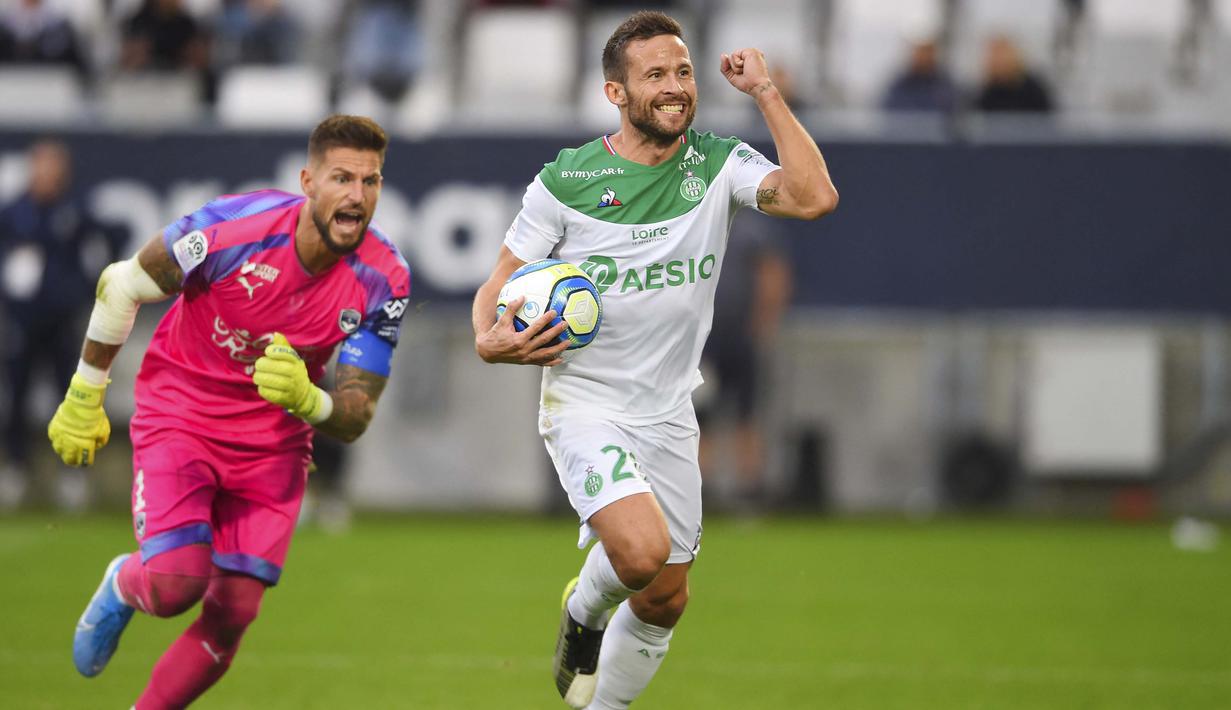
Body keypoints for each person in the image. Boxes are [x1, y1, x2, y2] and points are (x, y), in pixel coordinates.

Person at [471, 11, 837, 709]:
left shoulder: (718, 163)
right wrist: (488, 338)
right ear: (616, 93)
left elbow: (815, 197)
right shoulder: (567, 179)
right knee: (638, 555)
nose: (674, 88)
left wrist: (765, 94)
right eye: (655, 76)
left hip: (668, 408)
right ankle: (582, 610)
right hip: (584, 404)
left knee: (667, 596)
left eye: (682, 72)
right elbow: (499, 281)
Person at [49, 115, 411, 708]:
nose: (357, 195)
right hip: (182, 415)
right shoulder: (231, 230)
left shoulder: (384, 278)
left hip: (273, 445)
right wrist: (85, 392)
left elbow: (356, 411)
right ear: (308, 182)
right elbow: (122, 285)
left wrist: (307, 399)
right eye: (342, 178)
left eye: (370, 182)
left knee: (233, 613)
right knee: (174, 584)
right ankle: (124, 582)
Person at [0, 139, 123, 510]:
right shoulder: (13, 212)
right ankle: (16, 470)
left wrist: (87, 288)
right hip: (22, 320)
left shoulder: (75, 209)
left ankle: (72, 475)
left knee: (69, 395)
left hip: (62, 319)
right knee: (16, 397)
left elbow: (108, 241)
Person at [696, 210, 792, 510]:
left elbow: (773, 272)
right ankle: (701, 489)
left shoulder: (751, 229)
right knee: (699, 414)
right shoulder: (695, 223)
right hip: (702, 339)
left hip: (741, 336)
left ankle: (749, 488)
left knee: (746, 412)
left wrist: (764, 322)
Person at [973, 34, 1053, 113]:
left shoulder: (1033, 90)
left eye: (1003, 54)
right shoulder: (986, 92)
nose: (999, 60)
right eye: (995, 55)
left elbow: (1047, 119)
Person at [881, 38, 959, 114]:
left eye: (928, 51)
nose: (924, 56)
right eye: (921, 51)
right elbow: (891, 111)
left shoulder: (946, 84)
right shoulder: (899, 85)